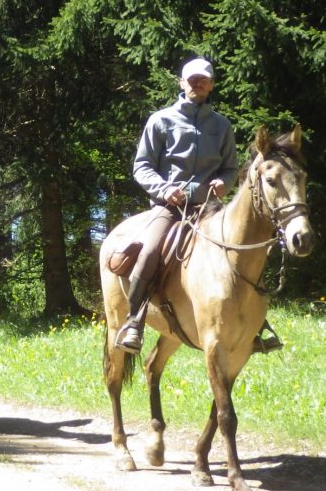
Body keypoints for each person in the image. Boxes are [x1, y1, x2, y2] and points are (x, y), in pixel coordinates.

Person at [116, 57, 278, 354]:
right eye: (192, 79)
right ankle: (133, 321)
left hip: (209, 208)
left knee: (248, 251)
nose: (197, 84)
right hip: (169, 208)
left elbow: (230, 169)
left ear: (211, 85)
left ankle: (255, 325)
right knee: (150, 250)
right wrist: (165, 190)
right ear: (182, 83)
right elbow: (142, 167)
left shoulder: (221, 125)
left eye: (203, 80)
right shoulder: (161, 120)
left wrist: (223, 184)